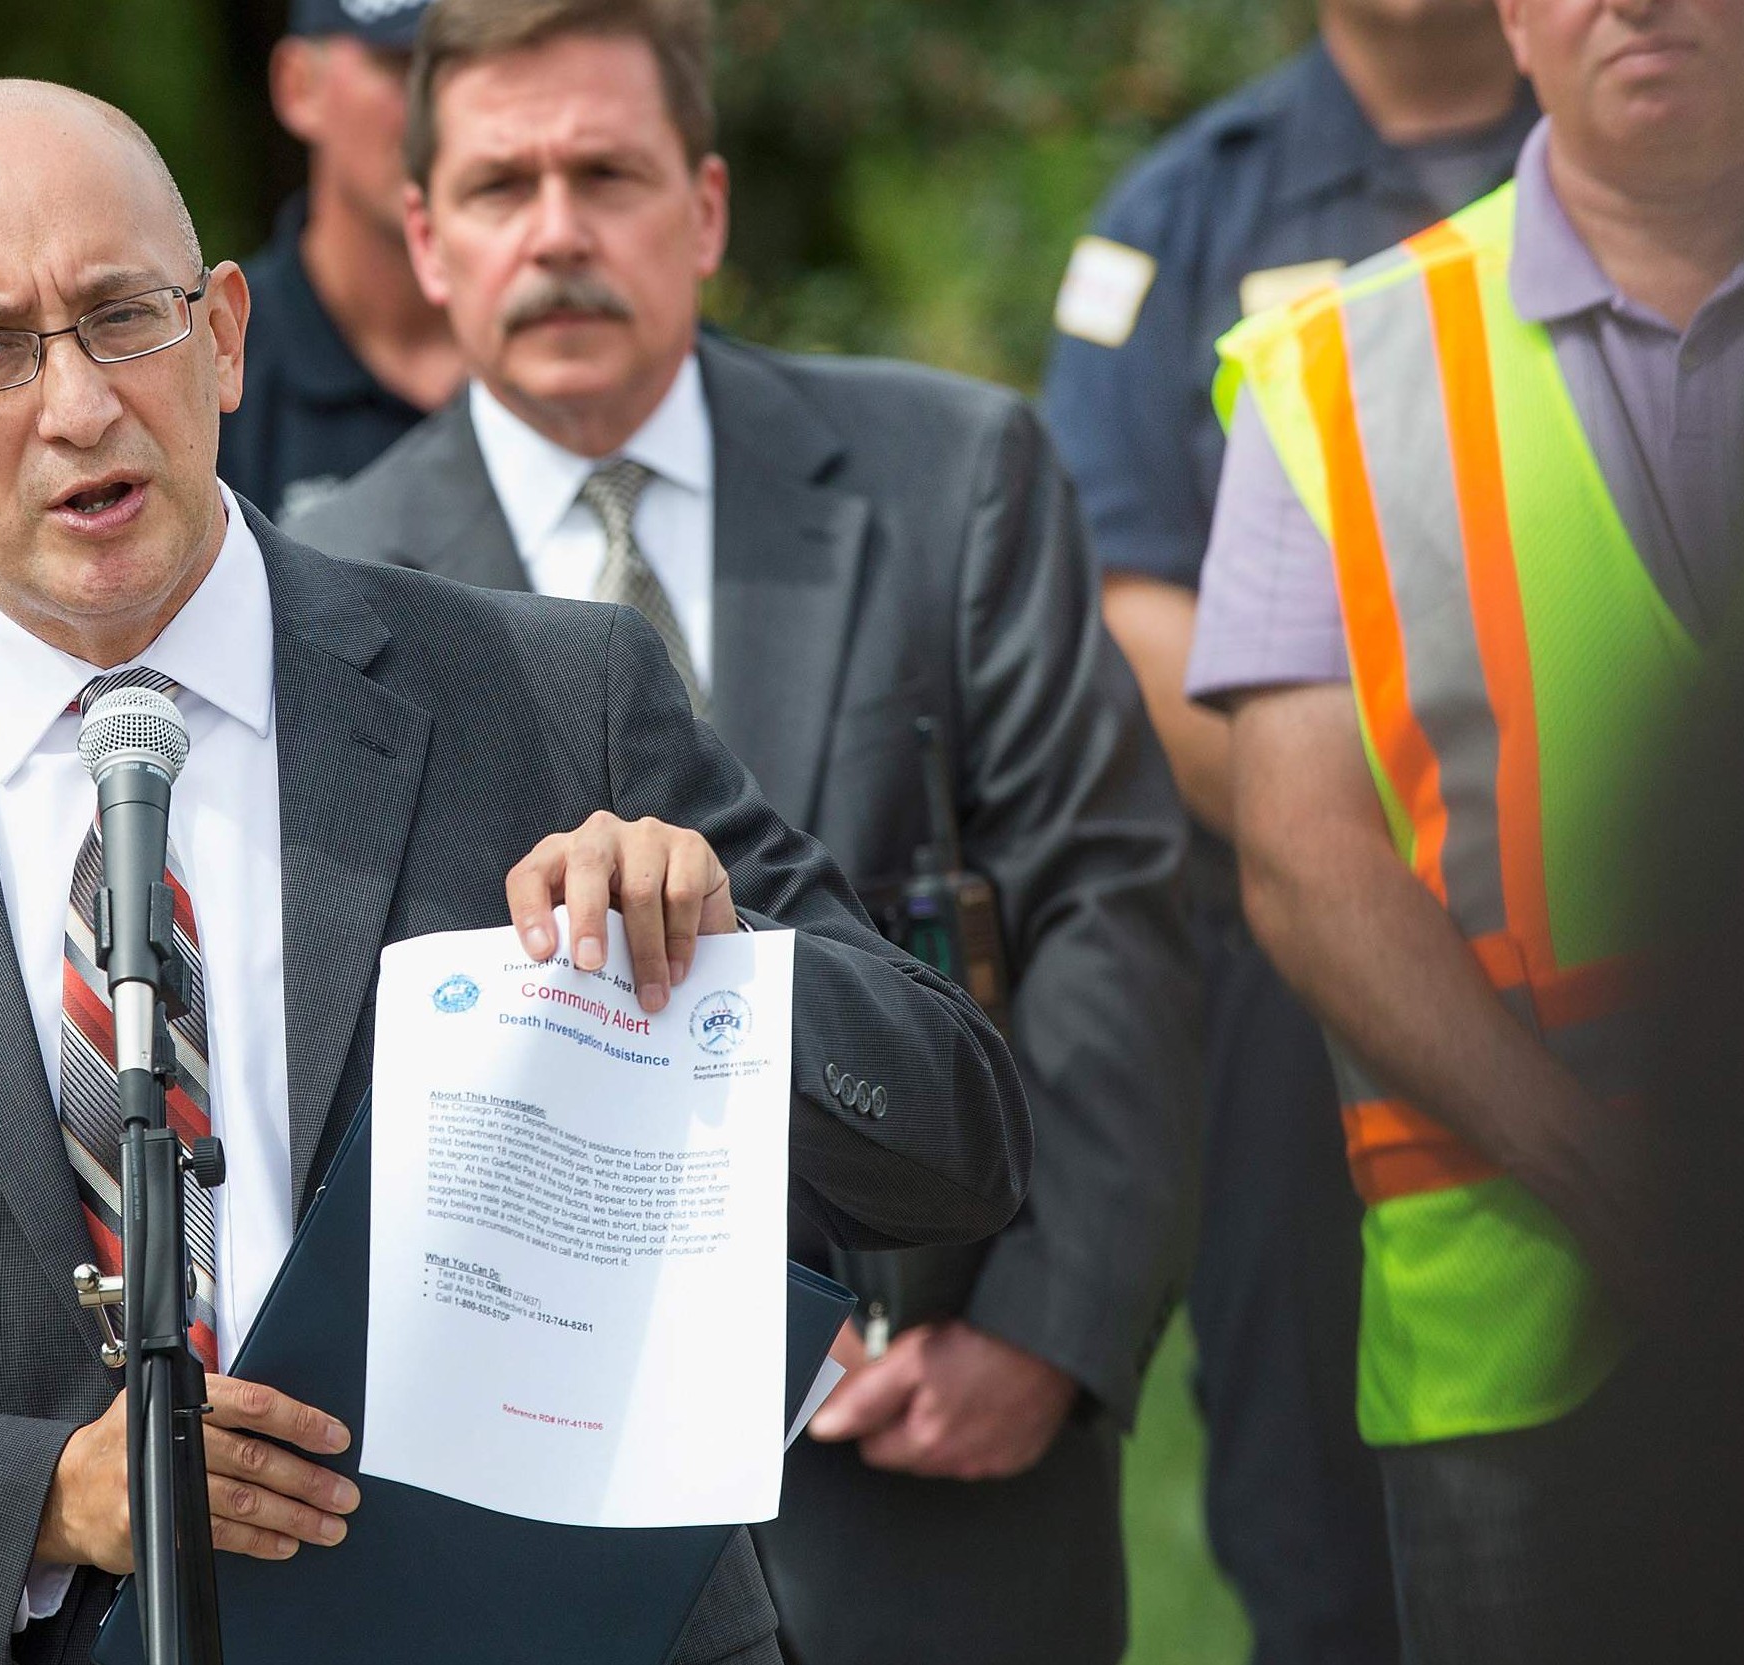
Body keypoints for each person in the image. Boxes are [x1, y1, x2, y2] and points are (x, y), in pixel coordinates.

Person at [0, 78, 1033, 1665]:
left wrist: (728, 974)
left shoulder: (552, 699)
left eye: (123, 316)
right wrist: (43, 1493)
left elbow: (959, 1147)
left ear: (226, 332)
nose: (77, 405)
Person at [291, 2, 1199, 1659]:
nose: (557, 230)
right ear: (424, 237)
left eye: (608, 174)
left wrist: (1048, 1330)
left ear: (704, 208)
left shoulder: (955, 479)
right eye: (501, 186)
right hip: (541, 1535)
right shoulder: (320, 590)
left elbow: (1113, 908)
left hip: (942, 1476)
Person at [1187, 0, 1744, 1655]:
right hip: (1515, 1342)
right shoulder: (1336, 369)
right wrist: (1603, 1174)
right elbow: (1303, 859)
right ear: (1513, 15)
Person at [1036, 6, 1533, 1656]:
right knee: (1313, 1516)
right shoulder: (1180, 216)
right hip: (1286, 992)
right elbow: (1128, 616)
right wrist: (1396, 851)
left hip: (1650, 942)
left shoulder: (1658, 154)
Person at [220, 0, 463, 518]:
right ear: (298, 85)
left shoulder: (565, 346)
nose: (440, 109)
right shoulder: (218, 369)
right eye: (401, 65)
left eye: (462, 64)